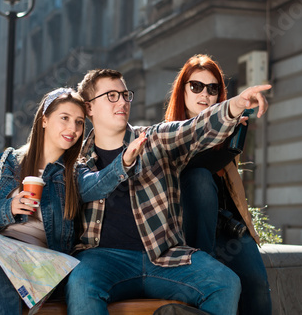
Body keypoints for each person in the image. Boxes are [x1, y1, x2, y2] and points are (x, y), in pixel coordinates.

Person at [66, 69, 270, 315]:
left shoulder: (152, 139)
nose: (121, 101)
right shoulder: (77, 161)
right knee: (80, 283)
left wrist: (235, 106)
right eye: (111, 96)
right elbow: (88, 187)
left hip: (164, 258)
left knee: (225, 283)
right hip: (103, 260)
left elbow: (194, 129)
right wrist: (124, 164)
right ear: (89, 108)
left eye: (124, 94)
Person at [0, 88, 146, 314]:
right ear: (44, 120)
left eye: (79, 122)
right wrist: (9, 207)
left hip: (44, 271)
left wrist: (124, 162)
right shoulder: (6, 162)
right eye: (65, 118)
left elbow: (99, 184)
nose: (73, 128)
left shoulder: (74, 173)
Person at [164, 54, 272, 314]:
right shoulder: (167, 133)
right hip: (186, 233)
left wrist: (232, 138)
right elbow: (189, 166)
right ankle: (203, 265)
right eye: (196, 86)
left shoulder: (228, 131)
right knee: (199, 178)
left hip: (227, 228)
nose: (205, 94)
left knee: (257, 286)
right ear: (183, 90)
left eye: (213, 89)